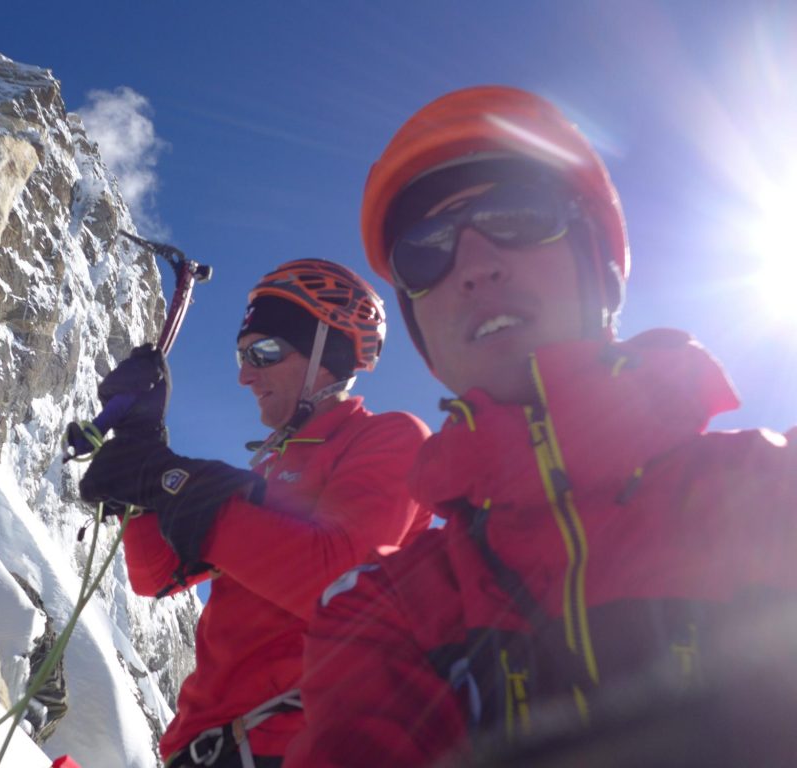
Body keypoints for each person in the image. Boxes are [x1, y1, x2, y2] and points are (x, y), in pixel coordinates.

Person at [284, 86, 797, 767]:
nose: (473, 266)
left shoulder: (777, 489)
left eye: (517, 215)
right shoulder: (383, 612)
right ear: (418, 328)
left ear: (601, 267)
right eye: (426, 251)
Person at [79, 258, 432, 768]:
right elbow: (153, 574)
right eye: (241, 355)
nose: (245, 375)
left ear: (325, 354)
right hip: (207, 747)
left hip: (292, 745)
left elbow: (337, 579)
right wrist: (145, 461)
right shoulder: (269, 467)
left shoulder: (390, 438)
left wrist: (179, 483)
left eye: (264, 353)